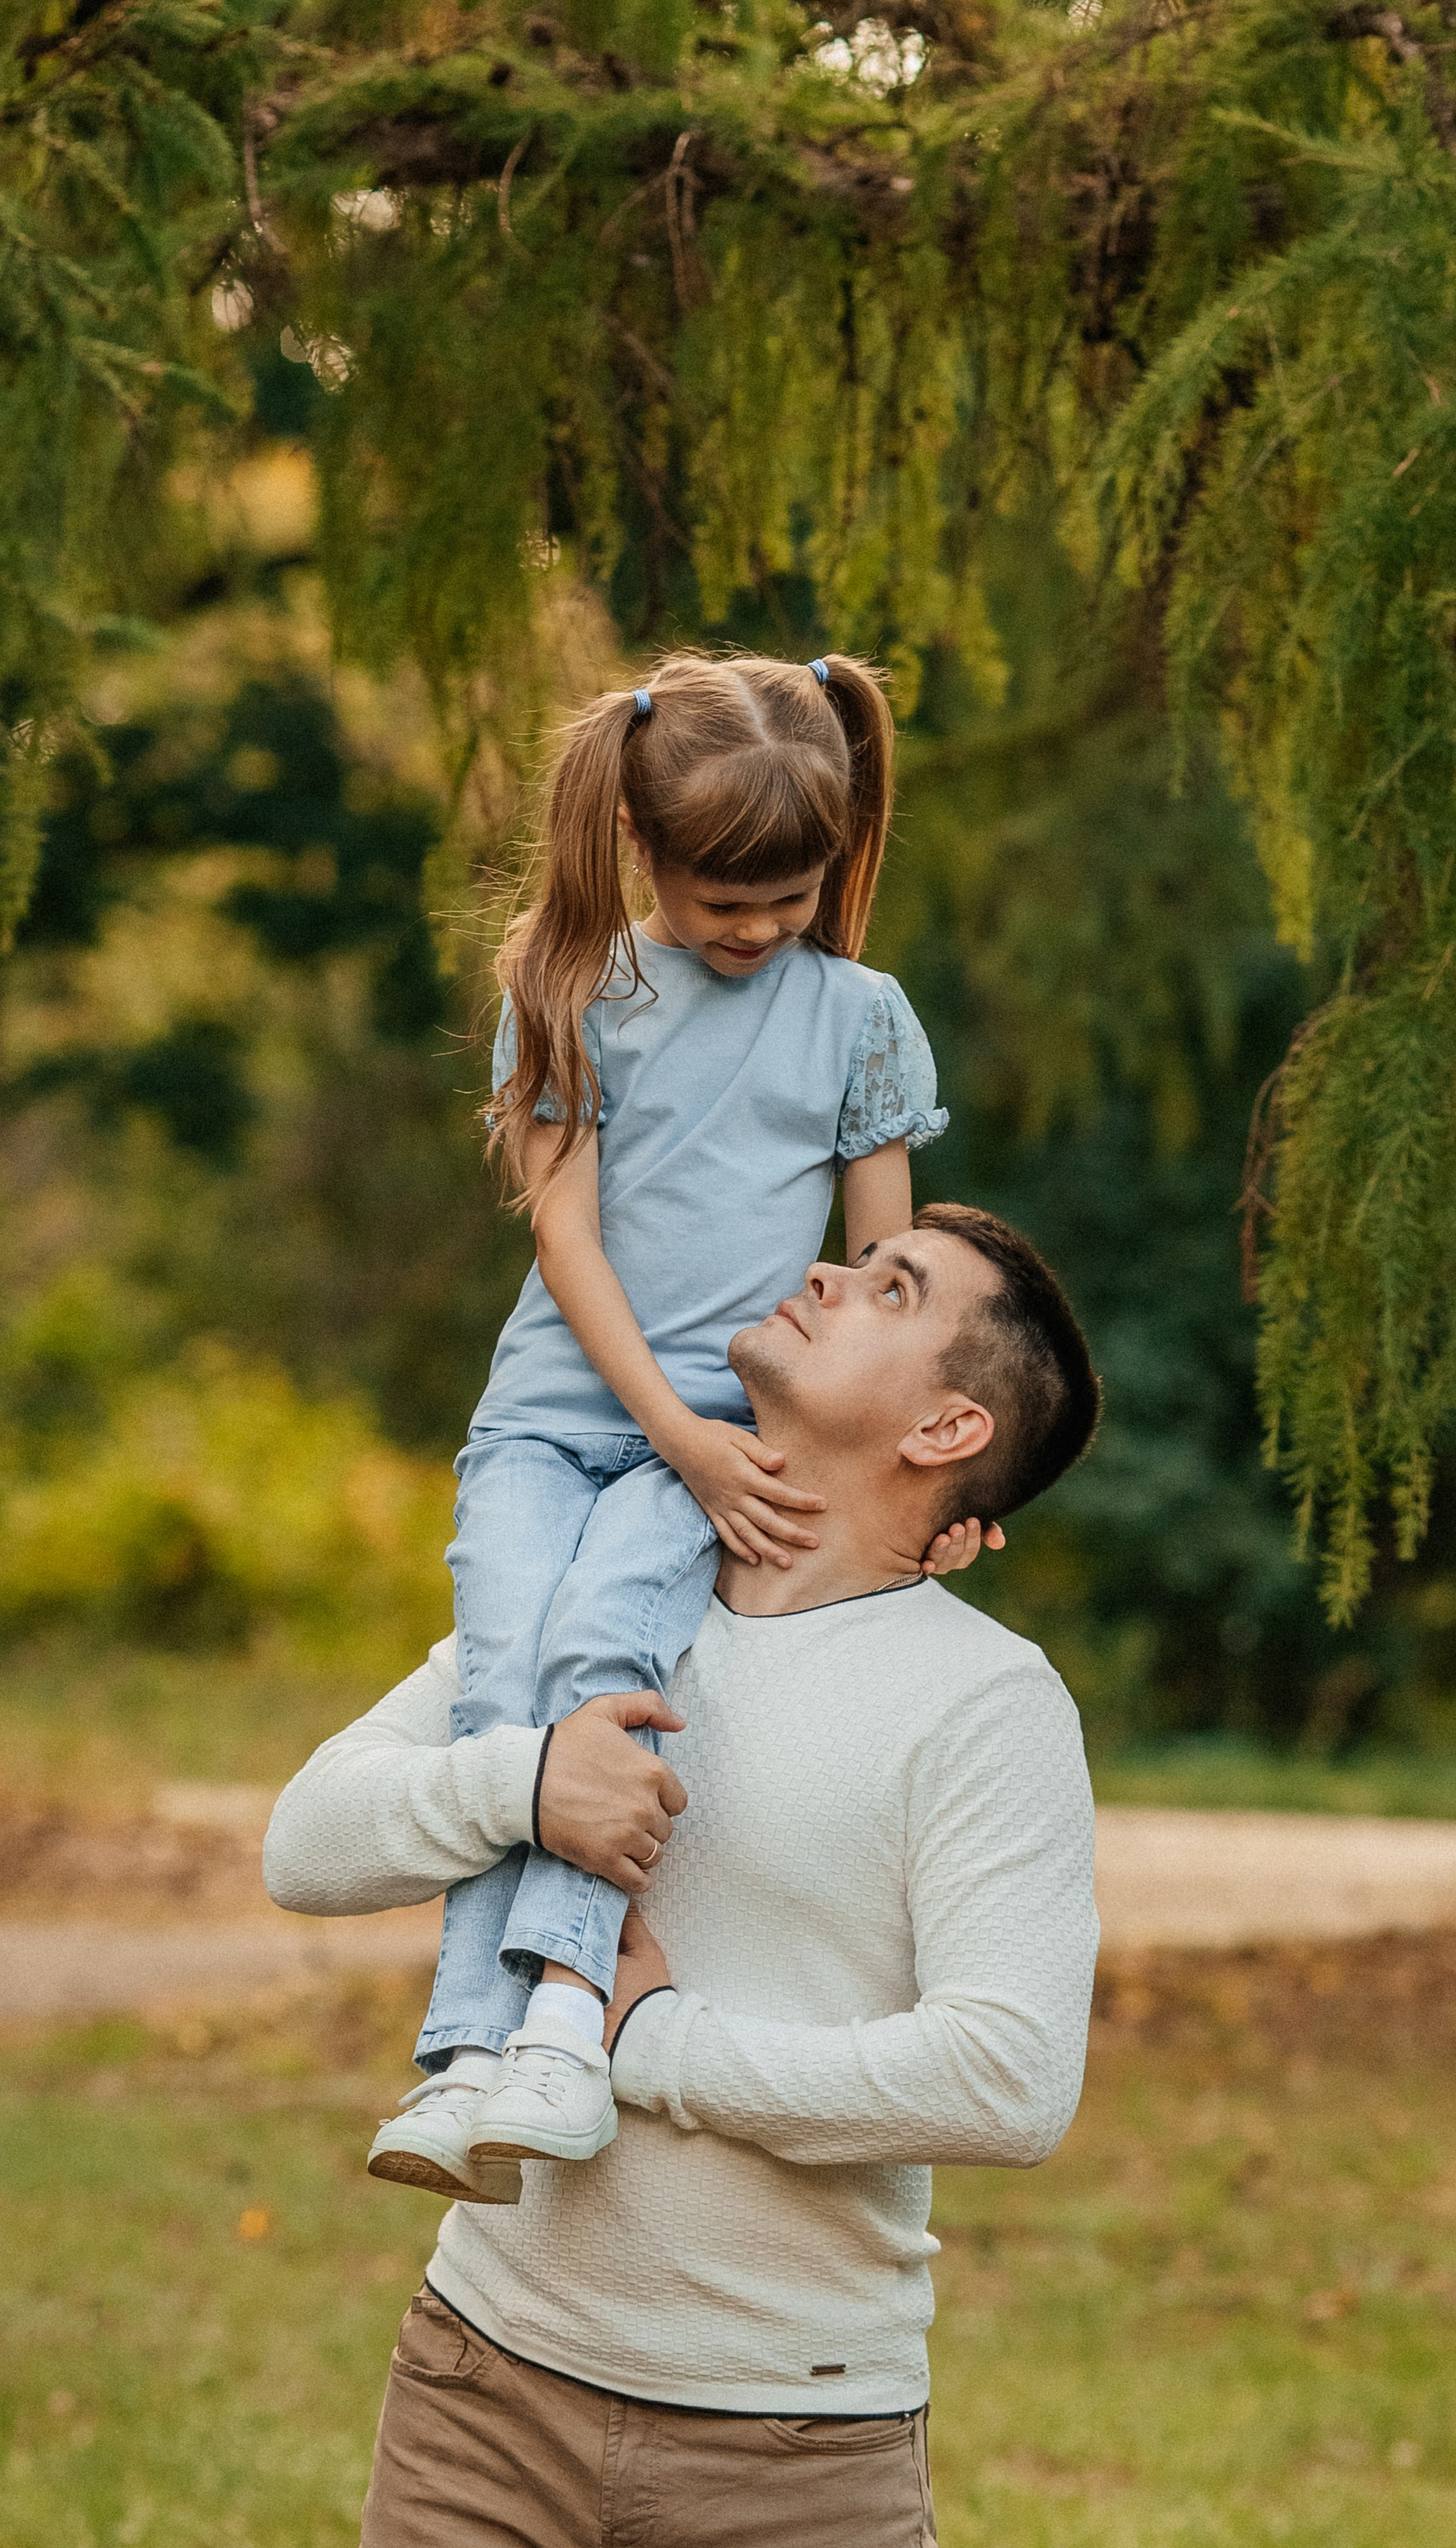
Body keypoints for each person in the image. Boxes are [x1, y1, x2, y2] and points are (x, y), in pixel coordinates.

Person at [263, 1203, 1102, 2548]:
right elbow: (303, 1845)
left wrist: (653, 2042)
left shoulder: (988, 1702)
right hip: (481, 2390)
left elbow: (1011, 2078)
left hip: (796, 2444)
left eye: (891, 1290)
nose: (825, 1270)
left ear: (947, 1433)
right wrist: (524, 1781)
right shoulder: (583, 1599)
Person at [368, 649, 988, 2204]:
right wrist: (671, 1426)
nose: (760, 927)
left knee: (602, 1673)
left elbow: (882, 1282)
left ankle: (561, 2024)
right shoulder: (570, 995)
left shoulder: (857, 1018)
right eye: (729, 897)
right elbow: (564, 1243)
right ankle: (465, 2049)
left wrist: (882, 1479)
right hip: (558, 1421)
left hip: (715, 1440)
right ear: (643, 845)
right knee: (503, 1689)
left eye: (791, 894)